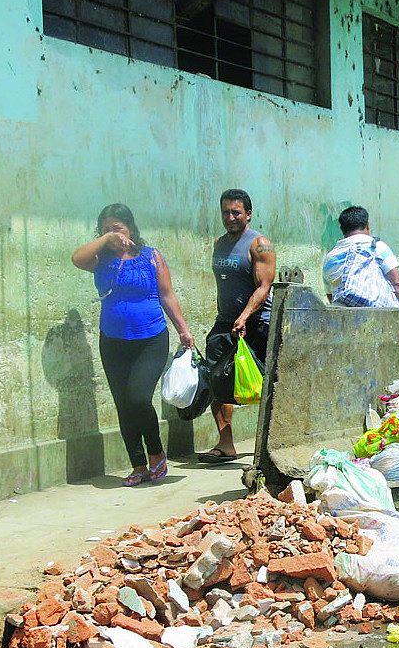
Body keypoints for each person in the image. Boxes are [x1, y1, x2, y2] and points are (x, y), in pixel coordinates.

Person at [71, 203, 194, 486]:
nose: (113, 233)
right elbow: (76, 258)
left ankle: (156, 452)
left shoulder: (151, 257)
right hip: (113, 341)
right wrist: (106, 239)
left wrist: (183, 331)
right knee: (123, 404)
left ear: (130, 228)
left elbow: (167, 295)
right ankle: (138, 465)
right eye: (105, 229)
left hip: (151, 339)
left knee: (138, 398)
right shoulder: (99, 259)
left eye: (117, 228)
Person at [199, 189, 275, 463]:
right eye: (225, 213)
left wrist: (244, 316)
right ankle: (226, 443)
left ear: (248, 214)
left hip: (257, 323)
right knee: (216, 380)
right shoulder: (219, 243)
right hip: (225, 323)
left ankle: (269, 446)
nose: (230, 218)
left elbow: (264, 286)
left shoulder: (260, 245)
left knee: (267, 386)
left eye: (236, 213)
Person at [322, 206, 399, 308]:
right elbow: (397, 283)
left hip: (345, 314)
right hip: (380, 312)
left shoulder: (330, 259)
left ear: (342, 229)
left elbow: (331, 296)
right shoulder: (377, 247)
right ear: (367, 225)